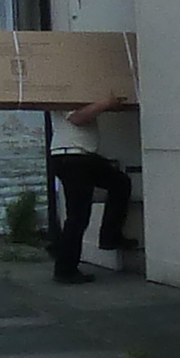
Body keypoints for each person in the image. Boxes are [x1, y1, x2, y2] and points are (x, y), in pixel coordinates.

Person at [47, 94, 136, 284]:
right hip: (71, 156)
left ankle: (110, 237)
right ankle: (65, 270)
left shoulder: (79, 88)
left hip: (79, 156)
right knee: (78, 216)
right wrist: (106, 103)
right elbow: (77, 118)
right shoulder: (65, 91)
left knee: (120, 183)